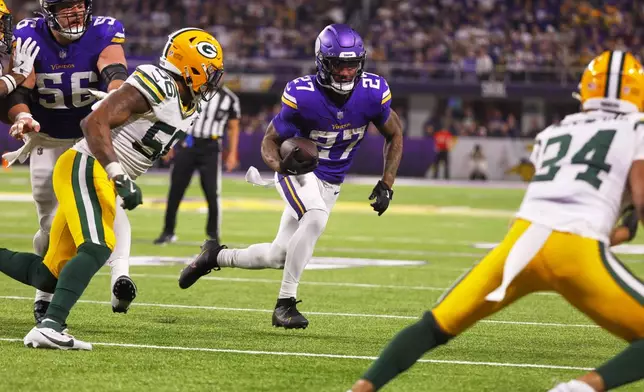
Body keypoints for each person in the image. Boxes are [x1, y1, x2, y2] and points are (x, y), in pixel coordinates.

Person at [349, 50, 644, 392]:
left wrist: (617, 231)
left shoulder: (557, 130)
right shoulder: (637, 127)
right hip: (577, 251)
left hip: (520, 242)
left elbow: (556, 208)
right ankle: (580, 389)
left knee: (434, 325)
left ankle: (361, 389)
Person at [0, 27, 224, 350]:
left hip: (98, 173)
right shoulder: (159, 83)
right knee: (98, 246)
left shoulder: (188, 105)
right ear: (189, 67)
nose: (212, 81)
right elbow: (92, 123)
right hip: (88, 166)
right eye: (209, 73)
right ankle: (50, 325)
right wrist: (119, 175)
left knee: (46, 274)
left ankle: (50, 320)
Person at [178, 23, 403, 330]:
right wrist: (282, 167)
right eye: (339, 64)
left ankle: (214, 257)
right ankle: (285, 303)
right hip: (299, 171)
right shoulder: (303, 94)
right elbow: (269, 141)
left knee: (278, 255)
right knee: (315, 217)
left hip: (331, 183)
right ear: (323, 62)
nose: (346, 73)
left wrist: (387, 183)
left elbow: (395, 133)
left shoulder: (373, 92)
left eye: (351, 65)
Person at [4, 0, 136, 322]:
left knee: (108, 201)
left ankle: (121, 275)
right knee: (51, 225)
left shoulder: (104, 29)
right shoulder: (28, 33)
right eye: (66, 7)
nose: (75, 12)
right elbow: (23, 87)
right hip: (47, 138)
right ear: (48, 11)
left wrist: (115, 95)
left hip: (89, 138)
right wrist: (23, 117)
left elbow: (115, 70)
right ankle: (44, 294)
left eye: (80, 4)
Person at [154, 84, 241, 245]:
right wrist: (169, 143)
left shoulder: (229, 98)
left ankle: (213, 236)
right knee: (175, 190)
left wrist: (232, 153)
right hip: (188, 144)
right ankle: (168, 231)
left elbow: (233, 127)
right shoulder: (192, 91)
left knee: (211, 192)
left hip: (211, 148)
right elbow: (175, 117)